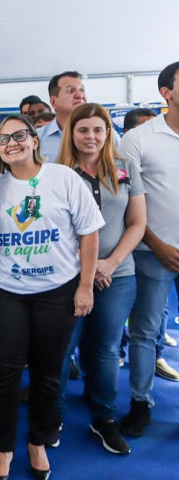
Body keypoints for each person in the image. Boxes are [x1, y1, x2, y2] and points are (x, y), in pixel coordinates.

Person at [0, 115, 103, 479]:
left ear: (35, 140)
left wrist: (85, 286)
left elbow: (89, 233)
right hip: (6, 290)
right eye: (3, 139)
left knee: (48, 372)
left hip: (57, 291)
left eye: (19, 135)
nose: (12, 143)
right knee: (4, 372)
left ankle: (37, 441)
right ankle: (3, 448)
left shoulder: (63, 177)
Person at [58, 103, 146, 455]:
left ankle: (103, 417)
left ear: (108, 132)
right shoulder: (57, 173)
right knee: (62, 348)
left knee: (106, 349)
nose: (91, 136)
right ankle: (52, 415)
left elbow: (137, 223)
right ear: (72, 134)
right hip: (68, 275)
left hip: (118, 274)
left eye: (98, 129)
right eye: (83, 130)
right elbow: (55, 229)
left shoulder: (126, 168)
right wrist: (87, 268)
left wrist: (110, 263)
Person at [117, 61, 179, 437]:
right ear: (165, 93)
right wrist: (157, 245)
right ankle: (141, 403)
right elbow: (125, 203)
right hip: (153, 253)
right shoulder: (138, 139)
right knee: (145, 330)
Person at [38, 71, 88, 162]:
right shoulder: (37, 139)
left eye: (81, 90)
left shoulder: (106, 135)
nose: (79, 95)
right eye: (71, 91)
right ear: (54, 102)